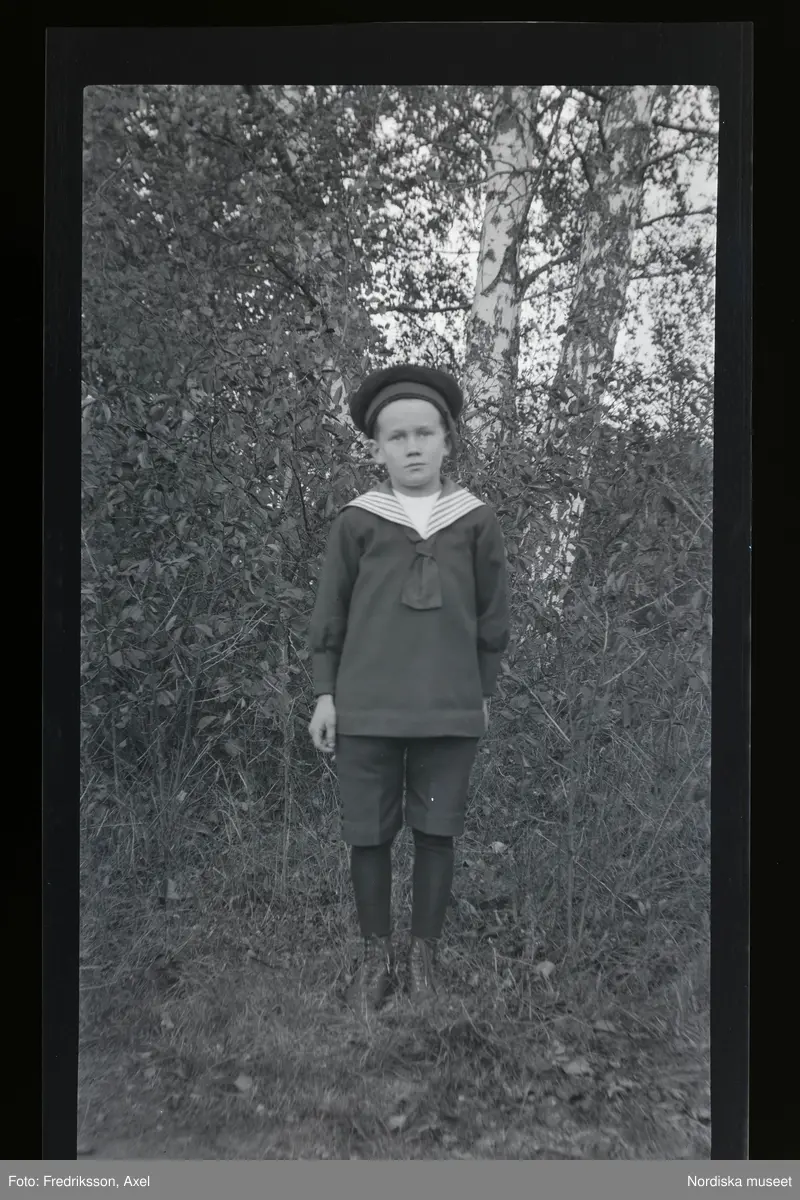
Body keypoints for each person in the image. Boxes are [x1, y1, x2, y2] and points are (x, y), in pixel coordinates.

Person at [308, 363, 509, 1014]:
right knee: (367, 834)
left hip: (449, 707)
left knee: (436, 831)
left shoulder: (475, 521)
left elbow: (493, 619)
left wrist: (481, 693)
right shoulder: (358, 522)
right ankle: (377, 957)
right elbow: (330, 614)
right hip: (365, 706)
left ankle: (423, 959)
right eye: (397, 437)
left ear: (448, 441)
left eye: (425, 433)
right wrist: (325, 694)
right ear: (377, 450)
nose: (413, 447)